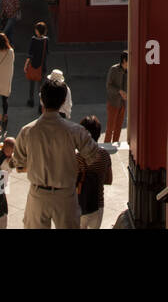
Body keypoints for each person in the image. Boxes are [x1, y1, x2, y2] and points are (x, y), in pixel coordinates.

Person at [12, 78, 104, 229]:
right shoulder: (75, 131)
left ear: (41, 99)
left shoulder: (27, 131)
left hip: (38, 194)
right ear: (63, 102)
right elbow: (93, 155)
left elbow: (19, 164)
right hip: (65, 195)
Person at [76, 114, 112, 229]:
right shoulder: (105, 155)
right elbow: (109, 180)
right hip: (97, 204)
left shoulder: (78, 157)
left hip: (79, 204)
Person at [105, 51, 128, 143]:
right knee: (110, 128)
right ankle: (106, 146)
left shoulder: (129, 71)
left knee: (119, 127)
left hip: (123, 103)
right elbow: (108, 85)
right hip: (113, 102)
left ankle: (115, 144)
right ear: (124, 60)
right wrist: (119, 91)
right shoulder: (114, 69)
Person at [25, 21, 48, 107]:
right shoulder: (46, 41)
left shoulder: (33, 40)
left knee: (32, 84)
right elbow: (47, 53)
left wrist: (26, 65)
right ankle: (41, 105)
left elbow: (30, 54)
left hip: (33, 65)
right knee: (41, 87)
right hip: (42, 66)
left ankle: (31, 100)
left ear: (37, 31)